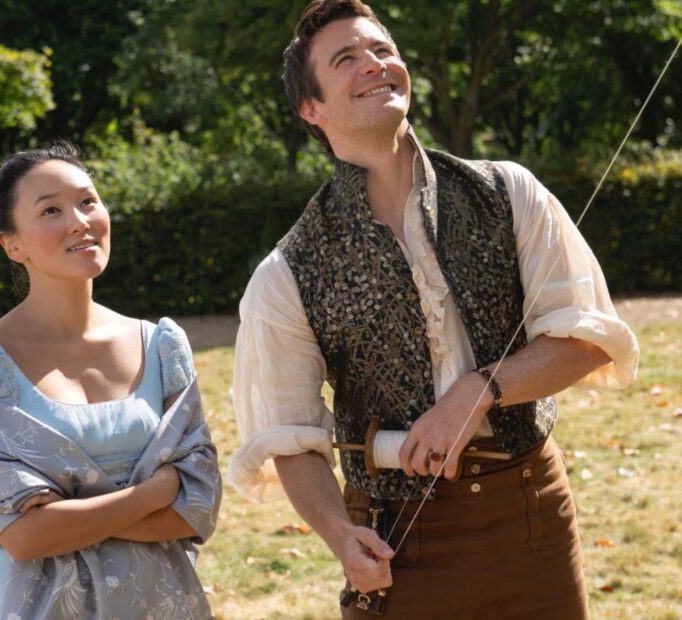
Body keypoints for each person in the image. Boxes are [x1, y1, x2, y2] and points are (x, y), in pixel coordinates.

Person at [228, 1, 639, 618]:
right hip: (398, 541)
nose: (375, 64)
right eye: (346, 59)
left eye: (383, 50)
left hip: (532, 515)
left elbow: (586, 340)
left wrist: (480, 388)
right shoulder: (286, 272)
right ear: (311, 108)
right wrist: (340, 535)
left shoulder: (509, 192)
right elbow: (290, 437)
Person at [0, 141, 220, 619]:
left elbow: (198, 506)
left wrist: (68, 514)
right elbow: (26, 537)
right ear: (12, 244)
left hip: (158, 603)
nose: (79, 221)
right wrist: (152, 493)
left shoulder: (162, 346)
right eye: (51, 210)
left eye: (88, 201)